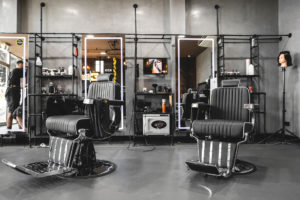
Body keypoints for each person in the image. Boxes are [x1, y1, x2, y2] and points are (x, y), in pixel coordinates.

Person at [5, 60, 24, 131]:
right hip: (12, 92)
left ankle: (19, 127)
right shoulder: (16, 70)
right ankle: (9, 130)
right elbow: (27, 73)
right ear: (19, 64)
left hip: (13, 90)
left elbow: (18, 84)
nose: (24, 66)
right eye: (23, 65)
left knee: (15, 109)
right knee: (11, 110)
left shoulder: (14, 72)